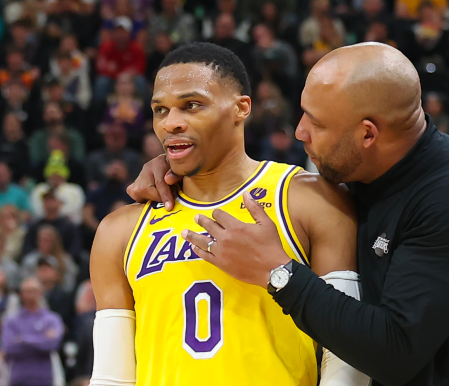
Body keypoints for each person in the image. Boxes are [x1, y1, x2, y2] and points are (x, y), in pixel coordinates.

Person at [127, 42, 449, 385]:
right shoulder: (368, 168)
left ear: (368, 134)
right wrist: (181, 162)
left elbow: (394, 353)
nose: (300, 132)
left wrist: (278, 272)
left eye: (317, 122)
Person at [89, 42, 366, 386]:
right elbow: (112, 376)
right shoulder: (120, 230)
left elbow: (346, 352)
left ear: (241, 108)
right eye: (160, 110)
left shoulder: (309, 199)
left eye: (192, 105)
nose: (171, 123)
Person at [2, 277, 65, 386]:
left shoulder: (52, 319)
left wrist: (22, 339)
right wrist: (41, 338)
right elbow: (8, 347)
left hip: (45, 379)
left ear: (42, 293)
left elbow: (52, 344)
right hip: (18, 379)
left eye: (34, 290)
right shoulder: (11, 320)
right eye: (27, 291)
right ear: (21, 294)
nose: (31, 294)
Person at [22, 188, 82, 259]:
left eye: (53, 200)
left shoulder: (69, 227)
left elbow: (75, 249)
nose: (50, 204)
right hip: (39, 263)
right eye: (47, 201)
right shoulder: (34, 227)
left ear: (60, 203)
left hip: (62, 263)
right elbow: (27, 248)